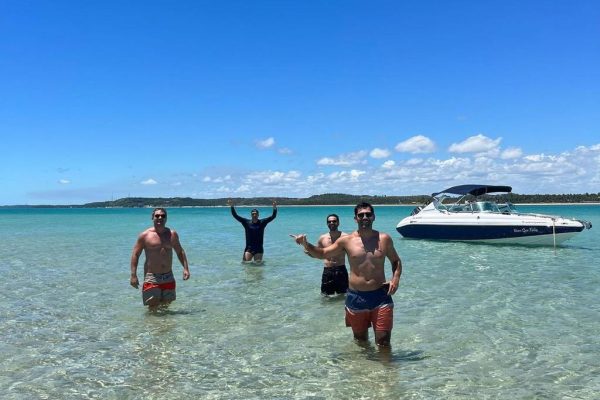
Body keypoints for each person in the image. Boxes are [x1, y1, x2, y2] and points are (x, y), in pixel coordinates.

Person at [291, 202, 402, 346]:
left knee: (383, 342)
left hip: (381, 296)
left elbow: (396, 261)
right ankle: (364, 369)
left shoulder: (384, 239)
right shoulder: (346, 241)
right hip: (356, 297)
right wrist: (306, 244)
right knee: (361, 342)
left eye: (368, 214)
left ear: (373, 217)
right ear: (355, 219)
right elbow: (323, 253)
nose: (365, 217)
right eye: (361, 215)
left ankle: (386, 368)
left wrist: (395, 279)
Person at [130, 207, 190, 311]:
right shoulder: (145, 236)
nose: (160, 218)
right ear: (152, 218)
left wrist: (185, 268)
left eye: (163, 216)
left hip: (168, 275)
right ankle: (152, 326)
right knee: (153, 307)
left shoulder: (172, 234)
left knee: (166, 305)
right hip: (152, 277)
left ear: (166, 218)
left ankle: (164, 326)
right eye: (157, 216)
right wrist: (133, 275)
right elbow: (136, 254)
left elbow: (180, 251)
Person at [315, 214, 349, 296]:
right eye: (329, 221)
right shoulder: (322, 238)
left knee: (344, 296)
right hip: (327, 271)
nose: (331, 223)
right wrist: (305, 244)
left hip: (341, 270)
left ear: (338, 223)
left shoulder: (346, 237)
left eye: (334, 221)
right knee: (325, 297)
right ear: (327, 223)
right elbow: (317, 253)